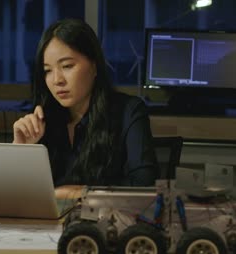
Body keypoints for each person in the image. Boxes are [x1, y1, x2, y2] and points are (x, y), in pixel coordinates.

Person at [13, 18, 158, 198]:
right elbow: (18, 197)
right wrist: (21, 151)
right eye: (47, 70)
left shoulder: (128, 111)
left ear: (94, 66)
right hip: (49, 225)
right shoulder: (42, 121)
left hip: (107, 223)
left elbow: (145, 184)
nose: (57, 80)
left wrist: (79, 192)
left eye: (67, 66)